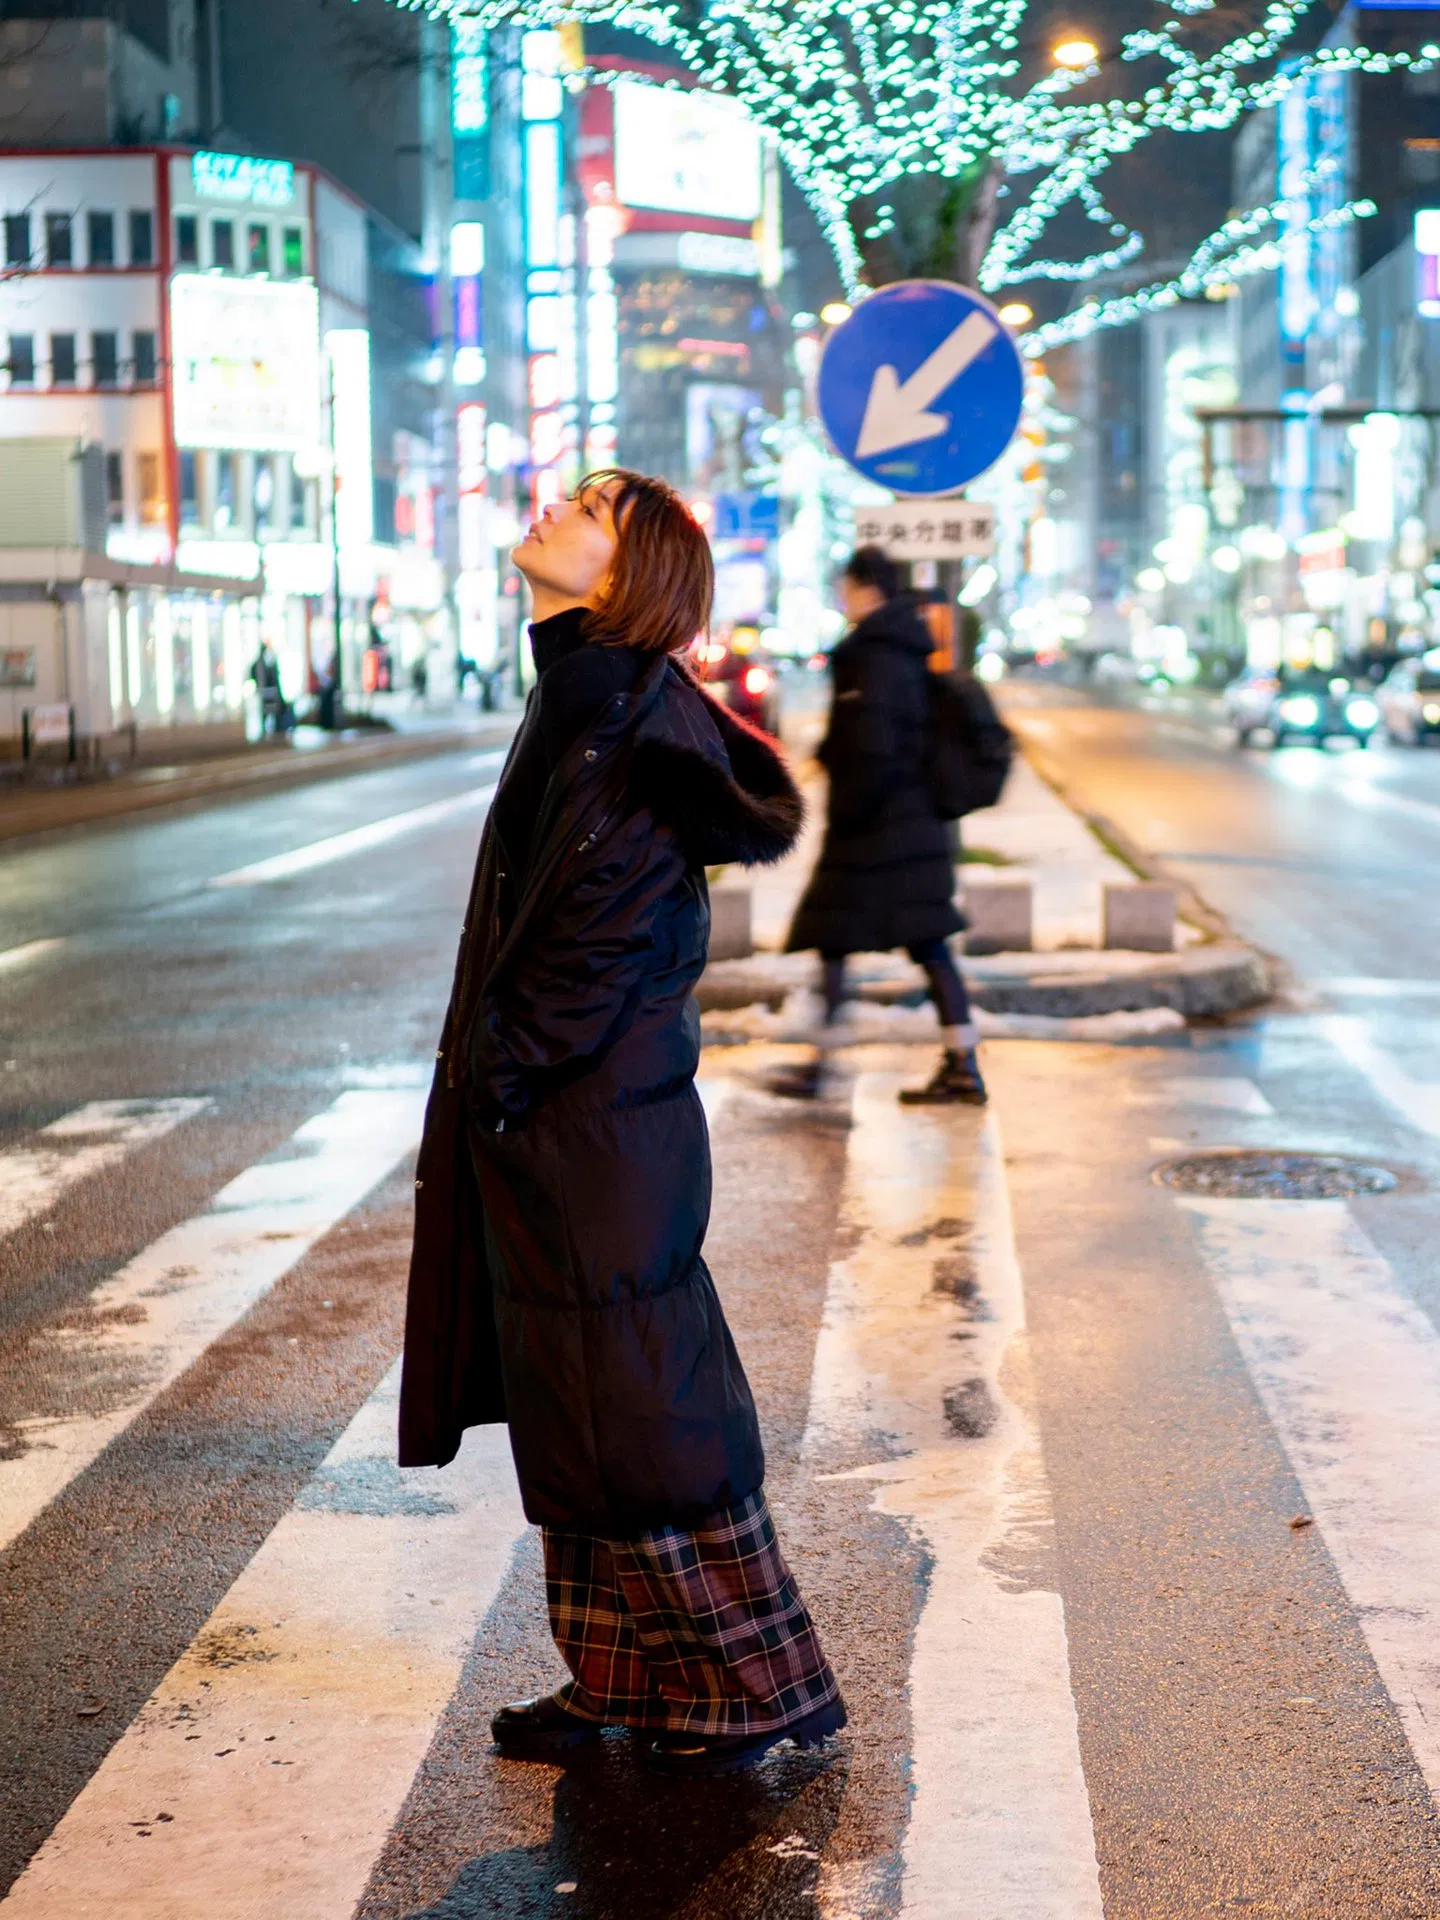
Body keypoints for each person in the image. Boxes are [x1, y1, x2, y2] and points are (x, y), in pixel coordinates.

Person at [398, 469, 845, 1779]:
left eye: (588, 506)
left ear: (628, 572)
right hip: (574, 1136)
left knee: (639, 1412)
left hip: (592, 1138)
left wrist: (501, 1075)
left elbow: (596, 951)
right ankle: (621, 1679)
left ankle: (750, 1692)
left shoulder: (622, 725)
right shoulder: (582, 697)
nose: (551, 509)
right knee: (578, 1407)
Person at [779, 545, 986, 1106]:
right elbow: (862, 731)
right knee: (917, 943)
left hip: (877, 827)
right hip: (907, 825)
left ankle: (823, 1065)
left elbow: (873, 741)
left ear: (867, 586)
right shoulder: (900, 646)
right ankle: (959, 1061)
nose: (841, 597)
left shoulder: (872, 654)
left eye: (846, 586)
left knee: (840, 938)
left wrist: (848, 811)